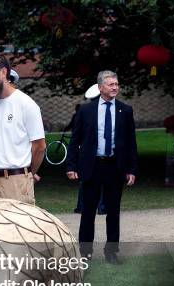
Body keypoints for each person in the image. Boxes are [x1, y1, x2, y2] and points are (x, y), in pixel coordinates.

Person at [66, 70, 138, 264]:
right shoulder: (85, 110)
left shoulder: (126, 110)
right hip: (92, 166)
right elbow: (75, 140)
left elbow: (131, 142)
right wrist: (71, 165)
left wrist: (131, 169)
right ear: (100, 88)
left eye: (116, 84)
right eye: (110, 84)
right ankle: (85, 253)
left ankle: (111, 252)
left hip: (115, 167)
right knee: (88, 211)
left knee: (113, 212)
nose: (115, 87)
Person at [0, 54, 46, 204]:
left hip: (17, 182)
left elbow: (40, 147)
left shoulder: (26, 104)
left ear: (3, 72)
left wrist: (28, 175)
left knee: (18, 227)